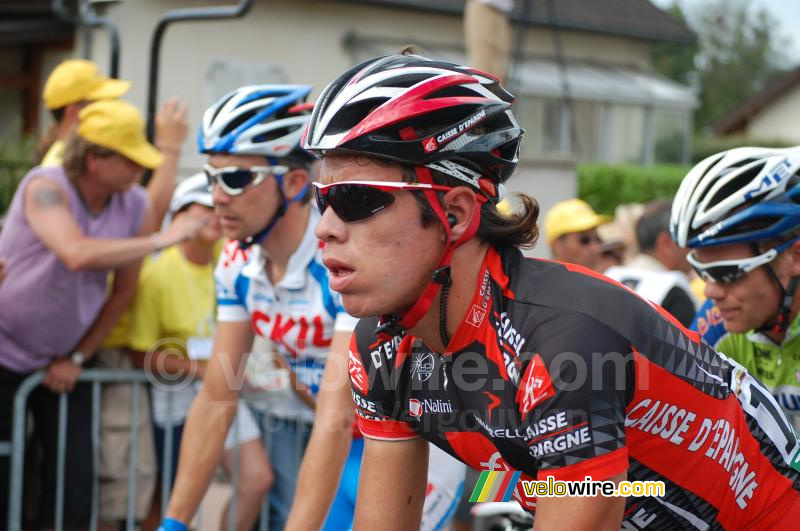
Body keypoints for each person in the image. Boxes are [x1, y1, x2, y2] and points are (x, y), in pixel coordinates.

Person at [304, 53, 800, 529]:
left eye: (355, 198)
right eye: (320, 198)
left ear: (453, 214)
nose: (324, 228)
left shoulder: (563, 341)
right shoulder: (379, 349)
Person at [157, 84, 358, 531]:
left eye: (234, 178)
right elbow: (215, 398)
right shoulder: (237, 262)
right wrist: (174, 522)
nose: (217, 196)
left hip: (410, 435)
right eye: (211, 177)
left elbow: (336, 414)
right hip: (339, 430)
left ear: (294, 183)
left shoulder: (340, 258)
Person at [0, 99, 203, 529]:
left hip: (64, 362)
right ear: (94, 158)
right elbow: (75, 253)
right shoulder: (45, 186)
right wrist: (158, 241)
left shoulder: (131, 205)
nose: (138, 172)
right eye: (131, 161)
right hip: (4, 354)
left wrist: (77, 357)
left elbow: (124, 290)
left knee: (74, 485)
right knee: (7, 478)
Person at [126, 173, 271, 530]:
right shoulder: (157, 274)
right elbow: (138, 354)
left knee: (257, 480)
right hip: (175, 400)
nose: (214, 214)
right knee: (170, 499)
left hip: (222, 392)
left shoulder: (231, 260)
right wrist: (200, 369)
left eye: (217, 206)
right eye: (201, 207)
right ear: (179, 215)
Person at [672, 146, 800, 427]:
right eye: (702, 272)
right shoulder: (716, 322)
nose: (710, 292)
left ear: (794, 256)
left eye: (728, 273)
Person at [605, 200, 698, 326]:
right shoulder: (673, 289)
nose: (695, 246)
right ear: (666, 243)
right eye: (688, 238)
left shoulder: (610, 275)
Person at [544, 198, 610, 271]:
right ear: (557, 245)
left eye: (598, 239)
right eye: (584, 240)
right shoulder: (539, 281)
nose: (595, 248)